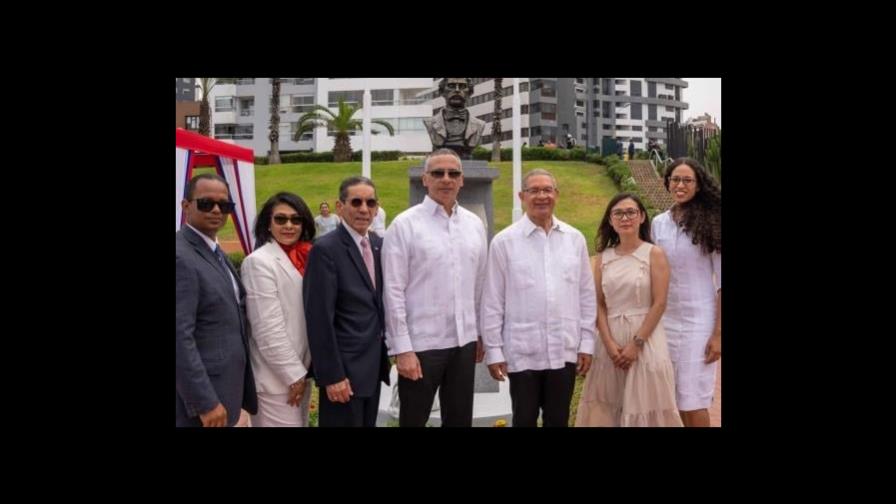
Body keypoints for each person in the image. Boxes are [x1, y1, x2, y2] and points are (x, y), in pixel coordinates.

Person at [481, 169, 596, 427]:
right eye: (534, 190)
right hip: (523, 352)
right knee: (524, 418)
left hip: (562, 350)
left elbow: (586, 296)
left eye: (547, 190)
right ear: (522, 196)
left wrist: (587, 343)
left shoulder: (574, 240)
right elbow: (492, 302)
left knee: (558, 419)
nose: (541, 196)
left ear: (556, 195)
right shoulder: (504, 242)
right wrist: (494, 350)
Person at [383, 148, 488, 427]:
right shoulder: (404, 226)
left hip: (463, 343)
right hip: (421, 345)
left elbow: (479, 285)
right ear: (425, 179)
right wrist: (402, 348)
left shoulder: (475, 225)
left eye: (453, 173)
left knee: (459, 420)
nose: (446, 179)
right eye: (438, 173)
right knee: (413, 420)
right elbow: (393, 292)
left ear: (462, 180)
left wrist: (478, 333)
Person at [575, 193, 682, 427]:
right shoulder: (603, 258)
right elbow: (599, 304)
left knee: (647, 405)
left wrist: (637, 344)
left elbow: (660, 302)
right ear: (610, 220)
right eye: (618, 213)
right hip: (609, 342)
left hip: (647, 339)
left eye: (631, 212)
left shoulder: (655, 254)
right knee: (606, 405)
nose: (625, 218)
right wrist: (610, 344)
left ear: (642, 217)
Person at [303, 176, 391, 427]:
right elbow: (319, 318)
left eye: (370, 202)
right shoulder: (324, 249)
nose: (364, 209)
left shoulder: (378, 245)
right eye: (356, 202)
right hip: (343, 374)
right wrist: (332, 376)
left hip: (372, 369)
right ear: (340, 207)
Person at [176, 173, 257, 427]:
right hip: (199, 401)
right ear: (186, 205)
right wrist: (205, 402)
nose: (216, 210)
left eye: (224, 205)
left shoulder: (214, 251)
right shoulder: (181, 256)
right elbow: (179, 336)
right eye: (206, 203)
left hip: (225, 388)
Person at [651, 157, 721, 427]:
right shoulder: (659, 223)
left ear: (698, 185)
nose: (680, 185)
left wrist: (718, 334)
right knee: (672, 398)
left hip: (699, 323)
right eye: (675, 179)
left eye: (687, 180)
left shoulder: (713, 223)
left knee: (694, 399)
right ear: (667, 182)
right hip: (665, 321)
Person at [241, 192, 316, 427]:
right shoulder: (258, 262)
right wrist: (293, 376)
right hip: (276, 380)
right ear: (267, 223)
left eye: (296, 219)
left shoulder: (305, 257)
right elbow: (266, 328)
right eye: (280, 219)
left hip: (301, 372)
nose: (289, 225)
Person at [422, 78, 486, 159]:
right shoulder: (430, 122)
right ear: (442, 92)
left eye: (462, 86)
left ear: (470, 93)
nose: (457, 90)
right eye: (451, 86)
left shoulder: (479, 124)